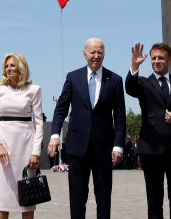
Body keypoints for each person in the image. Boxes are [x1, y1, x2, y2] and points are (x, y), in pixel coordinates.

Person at [49, 38, 125, 219]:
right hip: (77, 148)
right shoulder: (72, 77)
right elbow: (60, 109)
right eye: (92, 52)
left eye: (99, 52)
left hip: (103, 148)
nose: (96, 56)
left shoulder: (115, 80)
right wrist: (54, 135)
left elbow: (120, 117)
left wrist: (118, 145)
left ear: (104, 54)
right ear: (85, 55)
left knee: (104, 198)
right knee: (77, 198)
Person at [126, 42, 171, 219]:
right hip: (150, 150)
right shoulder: (143, 83)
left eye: (161, 58)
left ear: (170, 60)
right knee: (154, 202)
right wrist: (135, 66)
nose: (157, 61)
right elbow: (129, 88)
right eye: (153, 58)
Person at [0, 52, 44, 219]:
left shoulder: (34, 90)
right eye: (6, 66)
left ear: (21, 68)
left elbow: (39, 123)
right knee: (2, 199)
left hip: (25, 147)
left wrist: (35, 152)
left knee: (27, 198)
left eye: (12, 65)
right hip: (3, 147)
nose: (8, 69)